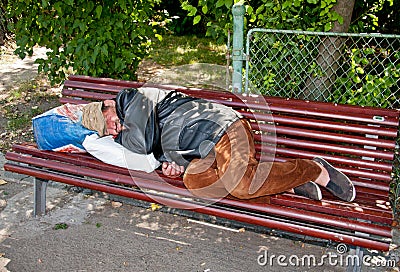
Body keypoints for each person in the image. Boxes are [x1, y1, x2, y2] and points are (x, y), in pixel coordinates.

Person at [79, 87, 356, 202]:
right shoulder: (134, 123)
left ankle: (313, 169)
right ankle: (289, 181)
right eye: (110, 133)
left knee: (242, 187)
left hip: (224, 130)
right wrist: (171, 166)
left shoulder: (133, 99)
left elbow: (142, 143)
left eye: (110, 123)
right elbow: (164, 146)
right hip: (205, 152)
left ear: (108, 105)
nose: (115, 130)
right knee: (197, 182)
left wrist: (121, 140)